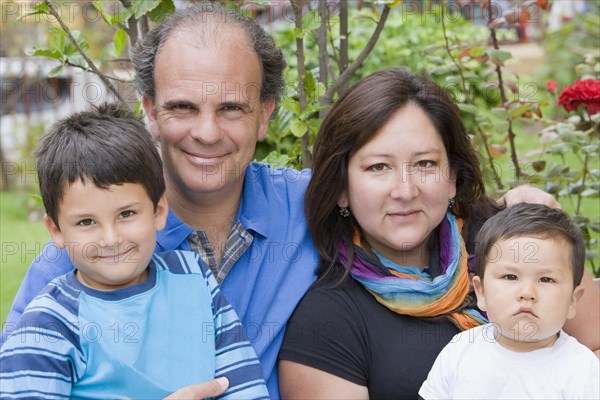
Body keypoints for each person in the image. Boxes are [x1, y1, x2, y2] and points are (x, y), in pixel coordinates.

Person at [2, 2, 597, 398]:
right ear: (150, 111)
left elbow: (406, 197)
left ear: (265, 114)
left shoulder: (308, 204)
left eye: (231, 107)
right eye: (183, 107)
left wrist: (522, 211)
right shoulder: (84, 257)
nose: (207, 132)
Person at [277, 68, 599, 399]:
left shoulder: (515, 239)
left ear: (453, 178)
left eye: (426, 164)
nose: (405, 190)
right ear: (341, 188)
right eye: (378, 167)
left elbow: (595, 345)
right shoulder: (328, 320)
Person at [0, 104, 268, 399]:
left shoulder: (194, 277)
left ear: (159, 211)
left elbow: (244, 385)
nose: (111, 238)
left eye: (126, 214)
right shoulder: (49, 323)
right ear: (57, 232)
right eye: (86, 222)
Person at [419, 203, 599, 399]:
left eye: (546, 279)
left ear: (573, 301)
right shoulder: (460, 351)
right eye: (510, 277)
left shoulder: (582, 370)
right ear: (482, 292)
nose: (527, 292)